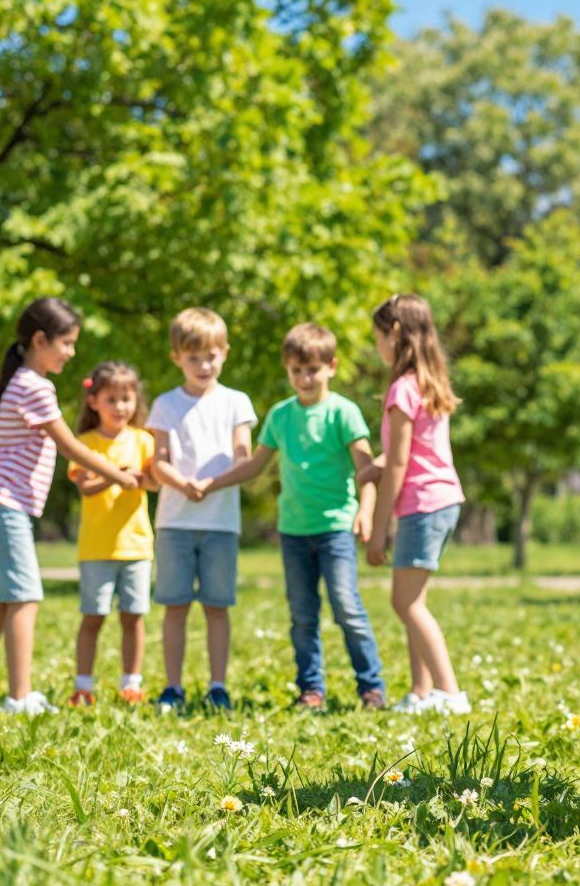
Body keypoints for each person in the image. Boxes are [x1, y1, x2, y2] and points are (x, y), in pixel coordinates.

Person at [0, 298, 139, 715]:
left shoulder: (23, 380)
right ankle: (20, 698)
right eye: (66, 343)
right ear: (40, 340)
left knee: (1, 599)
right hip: (3, 501)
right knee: (25, 597)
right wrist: (118, 475)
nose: (71, 352)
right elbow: (69, 445)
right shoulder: (34, 386)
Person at [203, 322, 387, 711]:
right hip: (294, 531)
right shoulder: (280, 416)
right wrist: (211, 484)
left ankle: (371, 686)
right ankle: (311, 689)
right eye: (297, 370)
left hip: (335, 527)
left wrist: (366, 511)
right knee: (302, 616)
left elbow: (367, 471)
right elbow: (255, 465)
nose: (305, 378)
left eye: (313, 370)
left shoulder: (344, 413)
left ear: (331, 367)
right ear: (287, 370)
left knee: (347, 607)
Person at [146, 307, 257, 711]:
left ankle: (218, 686)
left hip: (221, 523)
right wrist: (183, 484)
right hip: (174, 522)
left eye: (211, 356)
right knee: (175, 606)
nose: (204, 365)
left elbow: (244, 458)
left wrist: (212, 484)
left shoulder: (236, 402)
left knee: (217, 607)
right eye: (193, 358)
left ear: (224, 353)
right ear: (176, 357)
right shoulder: (165, 404)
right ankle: (172, 687)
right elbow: (158, 462)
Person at [362, 293, 468, 715]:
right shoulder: (428, 385)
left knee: (404, 603)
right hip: (441, 500)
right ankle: (421, 692)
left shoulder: (402, 390)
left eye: (378, 338)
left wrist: (377, 529)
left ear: (394, 333)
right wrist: (374, 467)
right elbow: (410, 452)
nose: (377, 347)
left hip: (423, 503)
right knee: (413, 600)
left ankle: (449, 692)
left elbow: (399, 462)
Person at [67, 361, 157, 707]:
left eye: (126, 399)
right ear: (94, 402)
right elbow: (86, 487)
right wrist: (114, 475)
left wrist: (142, 477)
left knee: (133, 617)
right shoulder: (85, 443)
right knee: (93, 617)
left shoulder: (142, 440)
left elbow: (153, 482)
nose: (120, 406)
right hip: (97, 547)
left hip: (136, 546)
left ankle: (131, 684)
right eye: (111, 399)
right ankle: (83, 686)